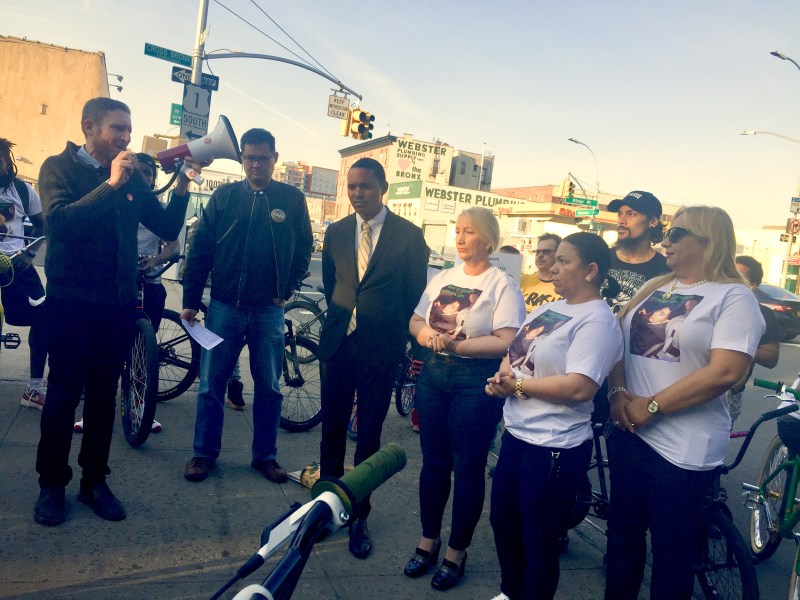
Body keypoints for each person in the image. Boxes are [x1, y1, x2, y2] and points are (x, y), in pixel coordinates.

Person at [34, 97, 191, 526]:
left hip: (118, 304)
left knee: (105, 396)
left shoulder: (133, 176)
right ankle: (52, 484)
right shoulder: (57, 168)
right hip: (71, 304)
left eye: (128, 129)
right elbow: (61, 224)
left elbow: (166, 227)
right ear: (89, 126)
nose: (125, 137)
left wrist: (181, 186)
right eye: (116, 129)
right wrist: (111, 183)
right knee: (64, 396)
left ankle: (94, 482)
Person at [605, 206, 765, 600]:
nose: (665, 241)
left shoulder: (734, 298)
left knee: (673, 556)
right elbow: (617, 342)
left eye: (676, 235)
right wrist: (617, 393)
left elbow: (725, 371)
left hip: (683, 450)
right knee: (622, 541)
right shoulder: (657, 286)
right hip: (629, 434)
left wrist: (652, 406)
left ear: (707, 242)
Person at [484, 232, 623, 600]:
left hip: (554, 447)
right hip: (518, 435)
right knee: (504, 521)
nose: (552, 266)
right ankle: (511, 591)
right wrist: (502, 378)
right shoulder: (549, 308)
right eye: (552, 259)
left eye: (564, 261)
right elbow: (515, 352)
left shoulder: (597, 321)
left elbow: (580, 387)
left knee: (539, 537)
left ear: (591, 270)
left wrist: (517, 387)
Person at [404, 206, 525, 591]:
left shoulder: (501, 284)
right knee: (433, 464)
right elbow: (417, 320)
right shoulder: (443, 277)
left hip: (475, 380)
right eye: (457, 230)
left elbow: (509, 339)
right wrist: (427, 339)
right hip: (434, 375)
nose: (459, 237)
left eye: (469, 231)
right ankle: (428, 539)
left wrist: (462, 347)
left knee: (468, 467)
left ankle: (457, 550)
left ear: (487, 239)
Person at [181, 128, 312, 484]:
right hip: (224, 308)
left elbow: (304, 249)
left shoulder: (291, 199)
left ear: (275, 159)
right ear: (243, 160)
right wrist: (191, 300)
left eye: (263, 158)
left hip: (269, 310)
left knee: (269, 387)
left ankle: (265, 457)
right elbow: (200, 250)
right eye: (250, 157)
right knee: (211, 385)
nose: (256, 164)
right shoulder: (224, 198)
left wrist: (287, 287)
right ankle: (203, 454)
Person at [318, 157, 428, 559]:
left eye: (365, 186)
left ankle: (359, 514)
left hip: (380, 349)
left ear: (383, 187)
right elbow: (334, 284)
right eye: (351, 187)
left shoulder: (409, 236)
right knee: (331, 429)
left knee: (369, 435)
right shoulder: (336, 231)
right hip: (338, 344)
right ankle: (326, 507)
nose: (357, 194)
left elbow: (414, 294)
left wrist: (400, 338)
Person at [73, 152, 176, 434]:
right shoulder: (118, 196)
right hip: (117, 284)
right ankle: (90, 413)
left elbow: (173, 243)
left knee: (143, 354)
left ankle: (141, 409)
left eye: (148, 172)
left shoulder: (157, 206)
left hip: (149, 284)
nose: (143, 176)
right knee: (102, 353)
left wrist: (154, 261)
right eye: (138, 170)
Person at [0, 137, 47, 409]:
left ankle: (34, 388)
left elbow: (43, 226)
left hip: (17, 266)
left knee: (45, 316)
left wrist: (29, 256)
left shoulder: (23, 190)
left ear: (8, 160)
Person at [727, 255, 780, 425]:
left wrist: (738, 345)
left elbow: (771, 358)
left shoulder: (762, 313)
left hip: (729, 393)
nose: (731, 280)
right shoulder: (709, 302)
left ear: (753, 285)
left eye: (739, 277)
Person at [605, 191, 670, 315]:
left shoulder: (665, 271)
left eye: (631, 214)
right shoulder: (600, 259)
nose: (621, 221)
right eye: (619, 214)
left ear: (652, 222)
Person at [520, 233, 562, 311]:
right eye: (538, 251)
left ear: (558, 254)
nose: (540, 255)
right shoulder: (521, 280)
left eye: (546, 252)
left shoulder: (566, 287)